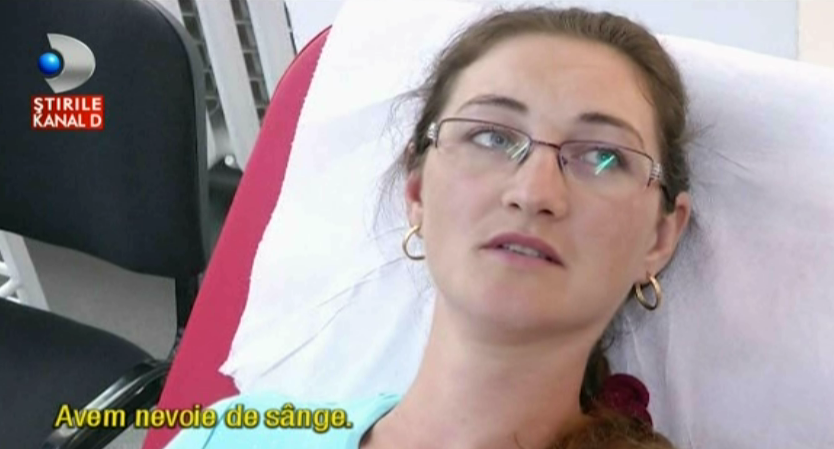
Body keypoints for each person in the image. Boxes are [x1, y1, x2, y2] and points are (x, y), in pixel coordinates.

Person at [164, 5, 692, 449]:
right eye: (492, 137)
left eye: (602, 157)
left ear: (660, 238)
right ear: (416, 192)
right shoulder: (234, 434)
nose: (534, 193)